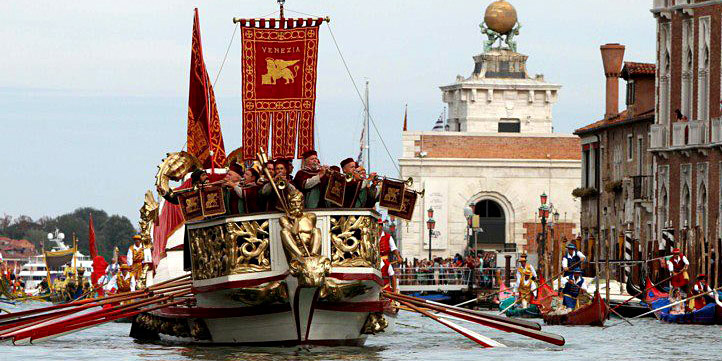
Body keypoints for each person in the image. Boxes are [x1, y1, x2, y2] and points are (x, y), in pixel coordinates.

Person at [379, 219, 402, 291]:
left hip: (384, 260)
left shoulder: (388, 236)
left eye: (379, 225)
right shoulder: (372, 235)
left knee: (392, 275)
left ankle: (394, 291)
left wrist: (398, 257)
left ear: (381, 226)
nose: (377, 226)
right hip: (375, 259)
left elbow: (394, 248)